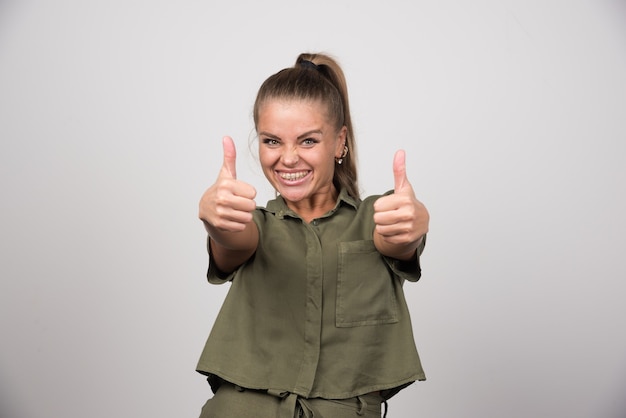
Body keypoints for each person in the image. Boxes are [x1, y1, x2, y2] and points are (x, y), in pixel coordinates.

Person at [196, 52, 430, 418]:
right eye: (271, 141)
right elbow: (232, 242)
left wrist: (412, 225)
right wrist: (217, 221)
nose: (287, 158)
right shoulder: (254, 224)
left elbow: (396, 240)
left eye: (307, 141)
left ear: (339, 143)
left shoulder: (375, 217)